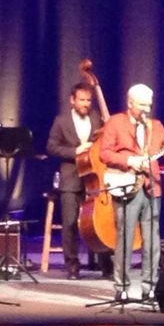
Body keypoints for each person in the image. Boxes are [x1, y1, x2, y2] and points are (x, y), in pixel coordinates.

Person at [99, 84, 164, 300]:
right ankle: (121, 287)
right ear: (130, 103)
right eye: (142, 105)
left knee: (152, 239)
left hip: (152, 187)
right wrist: (130, 160)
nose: (146, 109)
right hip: (126, 185)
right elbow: (105, 153)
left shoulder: (155, 125)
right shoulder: (115, 122)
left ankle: (150, 286)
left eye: (149, 105)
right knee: (125, 237)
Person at [45, 83, 104, 279]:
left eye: (88, 100)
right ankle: (72, 265)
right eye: (81, 100)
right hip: (71, 178)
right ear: (72, 100)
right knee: (70, 223)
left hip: (95, 177)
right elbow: (52, 147)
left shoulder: (97, 117)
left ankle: (104, 263)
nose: (85, 104)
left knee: (100, 221)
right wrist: (75, 151)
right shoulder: (61, 121)